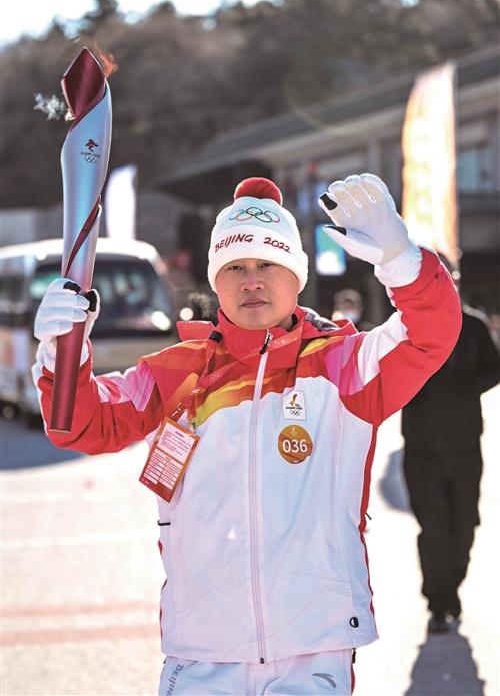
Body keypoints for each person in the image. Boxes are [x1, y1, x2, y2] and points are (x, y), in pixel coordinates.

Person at [32, 175, 461, 695]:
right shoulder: (174, 374)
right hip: (202, 653)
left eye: (268, 264)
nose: (251, 280)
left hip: (311, 649)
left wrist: (403, 260)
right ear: (216, 280)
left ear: (296, 276)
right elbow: (81, 423)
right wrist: (63, 357)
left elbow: (430, 333)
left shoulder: (342, 365)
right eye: (235, 266)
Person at [402, 256, 500, 635]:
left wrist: (467, 388)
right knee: (435, 527)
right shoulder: (406, 328)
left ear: (453, 279)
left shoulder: (473, 326)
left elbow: (495, 368)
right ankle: (437, 601)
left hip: (463, 445)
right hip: (422, 447)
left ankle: (452, 588)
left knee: (464, 526)